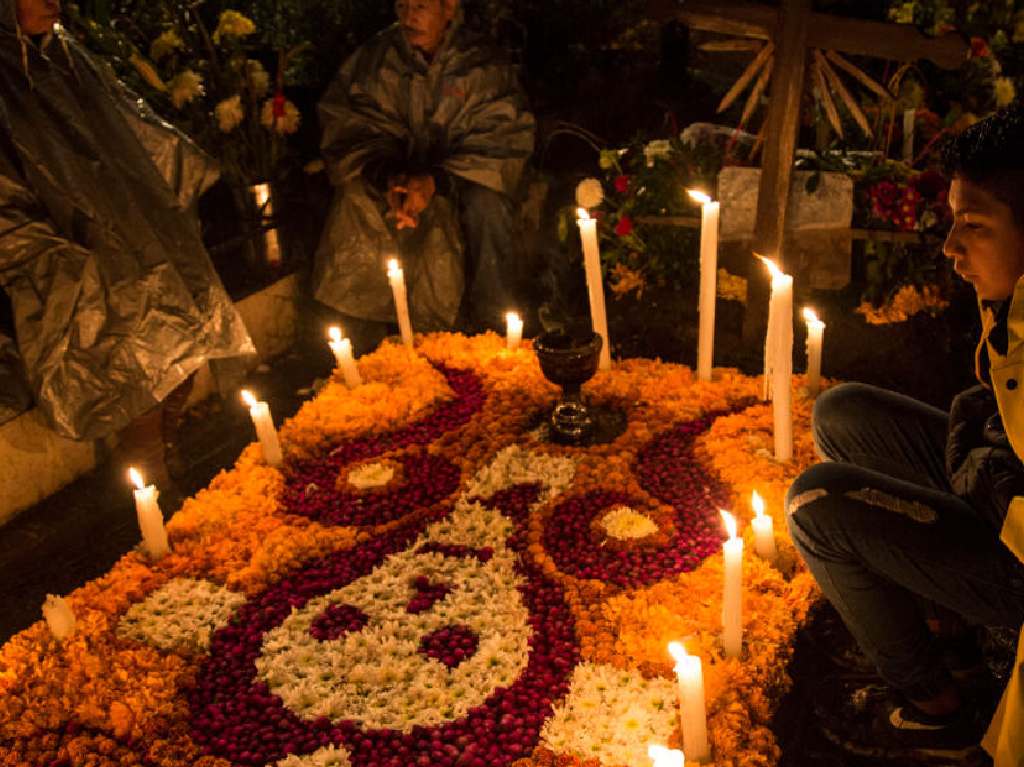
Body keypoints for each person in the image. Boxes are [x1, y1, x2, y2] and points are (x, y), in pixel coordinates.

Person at [786, 104, 1024, 763]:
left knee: (817, 506)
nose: (950, 249)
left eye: (972, 227)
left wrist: (981, 471)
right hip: (999, 488)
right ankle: (954, 641)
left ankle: (935, 710)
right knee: (844, 414)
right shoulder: (1014, 292)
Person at [0, 0, 254, 490]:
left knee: (185, 336)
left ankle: (165, 452)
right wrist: (66, 259)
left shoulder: (62, 55)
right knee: (139, 363)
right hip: (61, 259)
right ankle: (149, 481)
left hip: (127, 236)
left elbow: (132, 137)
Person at [313, 0, 535, 339]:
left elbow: (502, 142)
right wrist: (389, 177)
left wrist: (438, 181)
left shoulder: (481, 66)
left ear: (449, 9)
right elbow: (350, 127)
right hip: (396, 174)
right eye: (401, 5)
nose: (409, 16)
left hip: (464, 178)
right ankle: (362, 330)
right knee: (355, 199)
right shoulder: (374, 61)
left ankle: (495, 324)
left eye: (421, 6)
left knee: (486, 207)